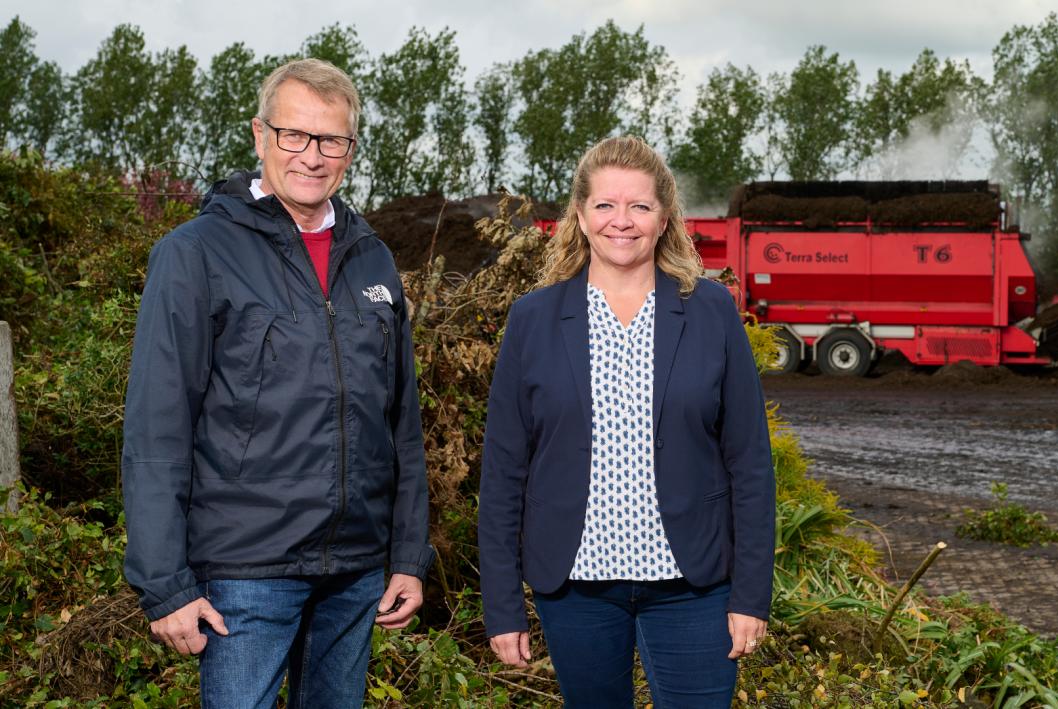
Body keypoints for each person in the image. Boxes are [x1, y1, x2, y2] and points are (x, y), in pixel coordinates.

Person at [121, 58, 434, 708]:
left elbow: (400, 423)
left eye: (332, 140)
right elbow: (156, 427)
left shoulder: (372, 257)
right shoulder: (194, 254)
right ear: (260, 134)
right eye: (295, 134)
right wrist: (165, 582)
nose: (312, 156)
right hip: (247, 570)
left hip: (353, 570)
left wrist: (407, 554)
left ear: (350, 149)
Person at [478, 136, 775, 707]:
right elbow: (504, 472)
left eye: (639, 206)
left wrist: (750, 596)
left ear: (664, 218)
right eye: (606, 206)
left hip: (695, 587)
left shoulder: (710, 311)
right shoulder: (533, 320)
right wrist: (502, 604)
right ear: (581, 217)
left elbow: (751, 465)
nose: (623, 221)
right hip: (576, 591)